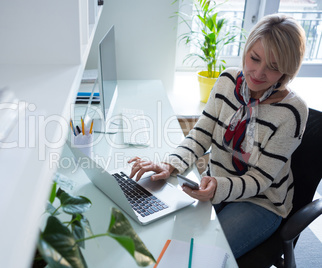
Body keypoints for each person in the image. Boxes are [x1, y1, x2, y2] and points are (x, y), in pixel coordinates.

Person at [128, 14, 308, 259]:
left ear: (287, 69)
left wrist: (217, 188)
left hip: (260, 201)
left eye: (274, 67)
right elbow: (201, 134)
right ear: (246, 50)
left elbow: (262, 178)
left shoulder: (292, 112)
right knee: (166, 241)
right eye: (254, 58)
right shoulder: (227, 81)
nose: (258, 72)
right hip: (216, 183)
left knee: (202, 257)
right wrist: (170, 164)